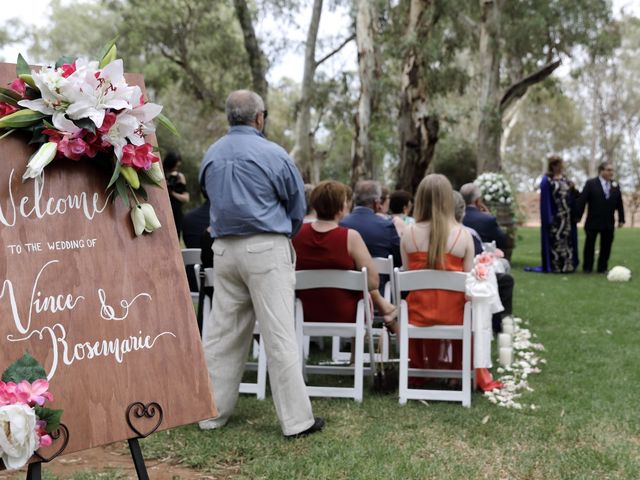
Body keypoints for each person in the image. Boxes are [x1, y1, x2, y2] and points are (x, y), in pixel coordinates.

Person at [198, 90, 322, 438]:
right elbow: (297, 205)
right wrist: (282, 234)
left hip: (223, 250)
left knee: (222, 334)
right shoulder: (273, 153)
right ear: (259, 117)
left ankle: (211, 413)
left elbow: (208, 195)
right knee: (279, 333)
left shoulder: (212, 154)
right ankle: (297, 421)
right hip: (265, 247)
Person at [402, 174, 501, 391]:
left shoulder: (407, 234)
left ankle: (421, 368)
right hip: (455, 316)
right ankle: (457, 372)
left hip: (418, 313)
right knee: (466, 305)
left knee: (414, 301)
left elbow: (407, 275)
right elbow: (467, 282)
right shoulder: (463, 236)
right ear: (449, 200)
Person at [293, 181, 397, 332]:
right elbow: (373, 282)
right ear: (341, 208)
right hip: (348, 314)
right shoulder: (350, 237)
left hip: (305, 312)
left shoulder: (297, 234)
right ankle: (355, 355)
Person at [454, 191, 514, 336]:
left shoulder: (415, 233)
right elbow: (475, 265)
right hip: (463, 291)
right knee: (502, 277)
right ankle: (498, 323)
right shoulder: (469, 234)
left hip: (424, 304)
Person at [576, 161, 625, 273]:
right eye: (608, 170)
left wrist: (621, 219)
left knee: (606, 246)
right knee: (589, 245)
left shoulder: (615, 186)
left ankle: (602, 268)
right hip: (593, 221)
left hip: (608, 222)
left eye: (612, 170)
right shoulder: (591, 184)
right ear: (601, 171)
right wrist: (578, 215)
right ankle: (587, 267)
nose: (611, 173)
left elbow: (619, 203)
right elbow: (582, 200)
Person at [340, 180, 402, 267]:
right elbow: (399, 259)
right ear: (376, 202)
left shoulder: (341, 224)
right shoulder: (387, 226)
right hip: (381, 280)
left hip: (349, 280)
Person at [539, 156, 579, 273]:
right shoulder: (547, 180)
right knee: (555, 241)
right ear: (553, 166)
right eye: (559, 165)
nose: (561, 167)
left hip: (567, 216)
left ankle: (568, 265)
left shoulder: (566, 180)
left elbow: (573, 196)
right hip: (555, 217)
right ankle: (555, 266)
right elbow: (545, 200)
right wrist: (548, 218)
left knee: (567, 241)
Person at [459, 183, 508, 250]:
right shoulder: (488, 219)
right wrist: (489, 215)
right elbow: (502, 242)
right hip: (481, 258)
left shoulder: (454, 217)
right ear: (477, 200)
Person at [163, 151, 190, 237]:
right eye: (174, 166)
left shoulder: (180, 177)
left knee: (176, 235)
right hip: (163, 210)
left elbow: (186, 198)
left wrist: (172, 193)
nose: (175, 168)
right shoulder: (161, 174)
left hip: (176, 212)